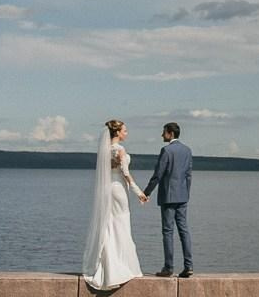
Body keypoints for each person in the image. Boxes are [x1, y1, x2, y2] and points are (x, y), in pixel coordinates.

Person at [82, 119, 146, 290]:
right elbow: (125, 173)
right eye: (124, 130)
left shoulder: (105, 150)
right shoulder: (119, 149)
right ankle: (123, 265)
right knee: (121, 224)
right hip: (118, 189)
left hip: (107, 188)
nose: (126, 133)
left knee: (109, 224)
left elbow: (108, 169)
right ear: (117, 132)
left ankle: (108, 264)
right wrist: (139, 192)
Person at [142, 121, 193, 278]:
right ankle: (189, 266)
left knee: (168, 231)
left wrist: (147, 192)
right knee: (184, 230)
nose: (162, 135)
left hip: (168, 197)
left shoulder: (166, 150)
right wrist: (186, 193)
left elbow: (158, 174)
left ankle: (168, 267)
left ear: (170, 133)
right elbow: (188, 175)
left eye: (164, 132)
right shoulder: (187, 150)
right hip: (182, 196)